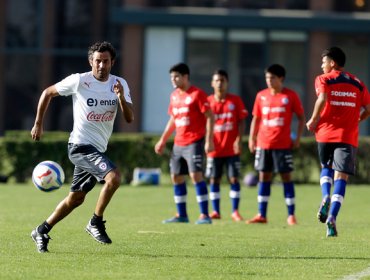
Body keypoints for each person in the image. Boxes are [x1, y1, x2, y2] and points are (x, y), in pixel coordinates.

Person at [30, 41, 134, 253]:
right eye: (97, 61)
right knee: (114, 178)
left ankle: (42, 230)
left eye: (106, 61)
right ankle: (95, 222)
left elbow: (129, 118)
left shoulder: (119, 83)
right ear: (90, 62)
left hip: (97, 150)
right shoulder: (79, 81)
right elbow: (47, 93)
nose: (101, 66)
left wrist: (121, 97)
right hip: (79, 146)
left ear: (112, 62)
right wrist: (38, 123)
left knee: (76, 198)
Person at [306, 46, 370, 237]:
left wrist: (313, 119)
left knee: (326, 167)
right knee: (341, 178)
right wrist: (358, 119)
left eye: (323, 61)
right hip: (347, 137)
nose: (321, 65)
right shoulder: (358, 83)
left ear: (332, 63)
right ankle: (332, 217)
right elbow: (368, 108)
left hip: (325, 134)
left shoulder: (323, 79)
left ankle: (325, 195)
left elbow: (322, 98)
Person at [154, 62, 214, 225]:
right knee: (176, 177)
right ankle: (182, 215)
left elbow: (210, 116)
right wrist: (163, 140)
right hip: (178, 143)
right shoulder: (174, 96)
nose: (173, 80)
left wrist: (209, 140)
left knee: (195, 175)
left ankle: (204, 215)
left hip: (194, 141)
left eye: (176, 76)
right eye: (172, 77)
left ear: (185, 77)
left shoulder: (197, 94)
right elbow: (173, 119)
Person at [246, 64, 305, 226]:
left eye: (272, 78)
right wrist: (252, 139)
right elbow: (256, 119)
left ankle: (291, 215)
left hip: (283, 144)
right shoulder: (261, 96)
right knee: (263, 177)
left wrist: (298, 137)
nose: (269, 81)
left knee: (286, 177)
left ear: (281, 79)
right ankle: (261, 214)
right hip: (263, 144)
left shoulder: (290, 96)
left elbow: (301, 118)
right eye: (267, 78)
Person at [205, 69, 248, 221]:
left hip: (231, 148)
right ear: (212, 83)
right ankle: (215, 211)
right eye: (216, 80)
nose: (219, 83)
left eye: (222, 80)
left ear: (227, 83)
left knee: (234, 178)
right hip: (214, 149)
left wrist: (239, 139)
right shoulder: (207, 101)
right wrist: (207, 141)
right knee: (214, 179)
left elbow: (241, 121)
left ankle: (235, 211)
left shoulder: (235, 101)